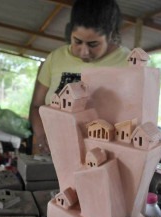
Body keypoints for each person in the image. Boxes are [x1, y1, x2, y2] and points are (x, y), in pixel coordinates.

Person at [29, 0, 130, 154]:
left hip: (106, 153)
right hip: (58, 151)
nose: (84, 52)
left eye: (93, 44)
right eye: (77, 41)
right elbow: (37, 105)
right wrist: (42, 135)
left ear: (110, 35)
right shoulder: (55, 58)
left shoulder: (128, 62)